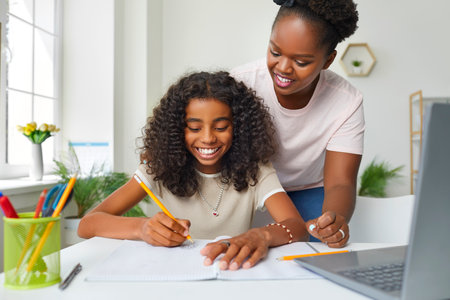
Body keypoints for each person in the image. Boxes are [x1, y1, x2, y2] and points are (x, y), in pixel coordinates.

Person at [78, 71, 308, 270]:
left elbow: (297, 226)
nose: (208, 138)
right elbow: (87, 224)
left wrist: (262, 235)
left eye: (221, 127)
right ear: (177, 129)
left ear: (239, 128)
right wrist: (142, 228)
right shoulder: (157, 169)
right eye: (195, 128)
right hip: (171, 275)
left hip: (231, 273)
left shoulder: (255, 171)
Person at [231, 0, 363, 247]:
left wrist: (334, 220)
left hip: (308, 190)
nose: (283, 68)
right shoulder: (240, 83)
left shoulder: (346, 101)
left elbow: (340, 182)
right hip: (249, 188)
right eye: (275, 52)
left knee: (315, 251)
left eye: (301, 62)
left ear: (328, 60)